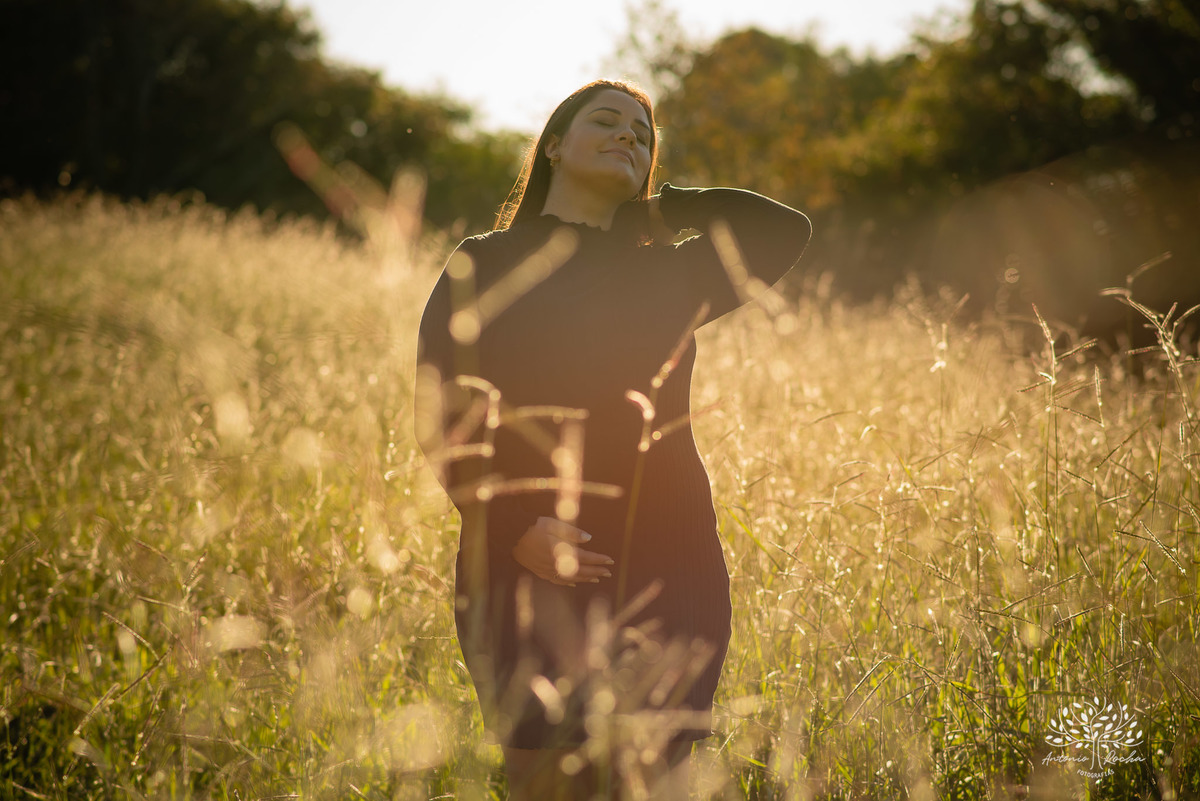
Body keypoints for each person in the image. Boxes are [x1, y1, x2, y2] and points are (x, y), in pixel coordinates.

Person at [415, 79, 811, 799]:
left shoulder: (672, 271)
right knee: (548, 783)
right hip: (523, 565)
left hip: (668, 562)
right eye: (606, 121)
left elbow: (784, 230)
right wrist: (512, 530)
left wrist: (664, 207)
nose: (630, 136)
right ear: (555, 145)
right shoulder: (487, 260)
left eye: (643, 133)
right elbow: (441, 411)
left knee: (660, 782)